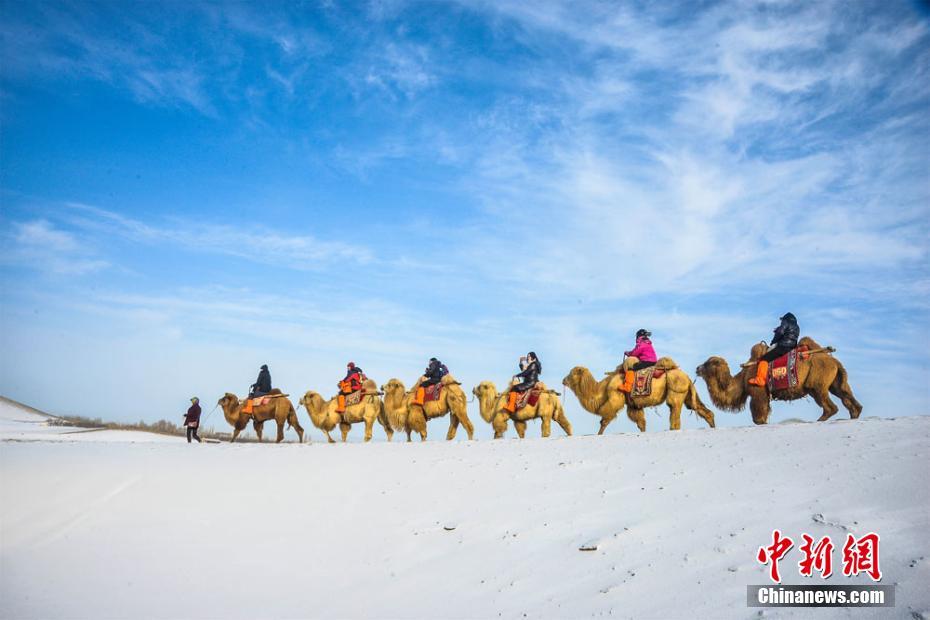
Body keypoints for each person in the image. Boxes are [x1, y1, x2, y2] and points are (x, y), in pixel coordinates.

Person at [749, 313, 800, 386]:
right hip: (791, 348)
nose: (781, 322)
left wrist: (773, 342)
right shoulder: (797, 327)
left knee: (764, 359)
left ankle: (760, 379)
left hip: (783, 347)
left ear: (785, 318)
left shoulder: (785, 322)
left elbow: (780, 332)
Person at [620, 329, 658, 393]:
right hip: (653, 361)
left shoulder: (641, 343)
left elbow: (634, 353)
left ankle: (627, 387)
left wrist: (627, 353)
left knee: (631, 368)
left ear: (638, 336)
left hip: (647, 361)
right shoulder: (648, 343)